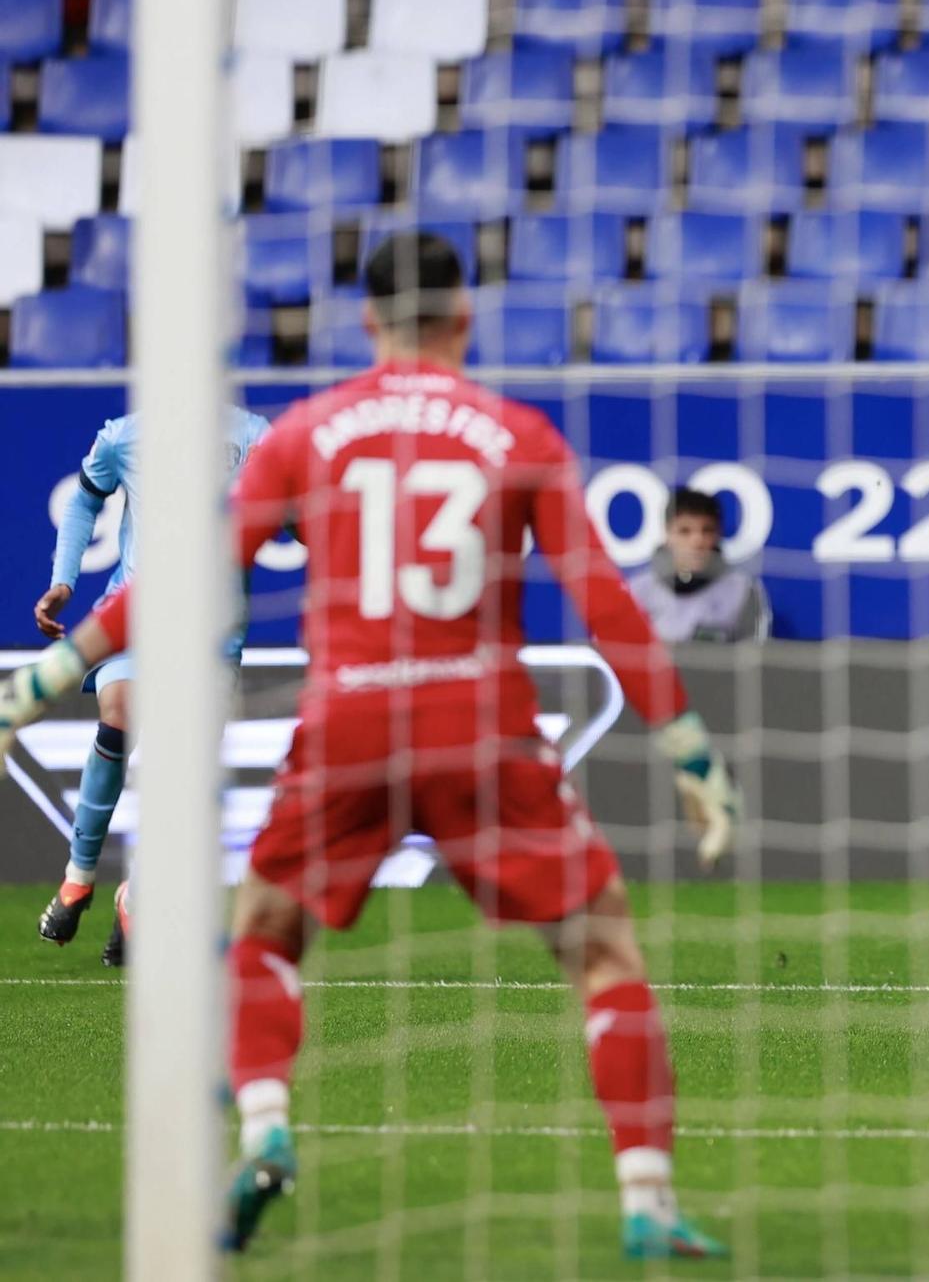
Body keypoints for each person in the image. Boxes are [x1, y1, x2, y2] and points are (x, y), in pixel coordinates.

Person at [0, 232, 741, 1260]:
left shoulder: (309, 432)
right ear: (464, 319)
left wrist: (44, 677)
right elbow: (606, 603)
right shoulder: (511, 432)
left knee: (262, 932)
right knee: (604, 950)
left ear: (366, 324)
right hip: (483, 729)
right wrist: (693, 753)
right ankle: (647, 1197)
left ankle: (263, 1131)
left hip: (349, 723)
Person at [32, 404, 271, 965]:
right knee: (120, 713)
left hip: (214, 632)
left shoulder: (254, 437)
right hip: (134, 614)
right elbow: (85, 498)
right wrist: (63, 580)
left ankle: (134, 896)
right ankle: (78, 876)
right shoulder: (124, 436)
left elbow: (292, 518)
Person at [628, 488, 769, 644]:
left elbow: (754, 660)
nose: (697, 541)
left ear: (718, 535)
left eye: (707, 531)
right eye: (685, 531)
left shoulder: (743, 591)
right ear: (667, 534)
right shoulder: (638, 592)